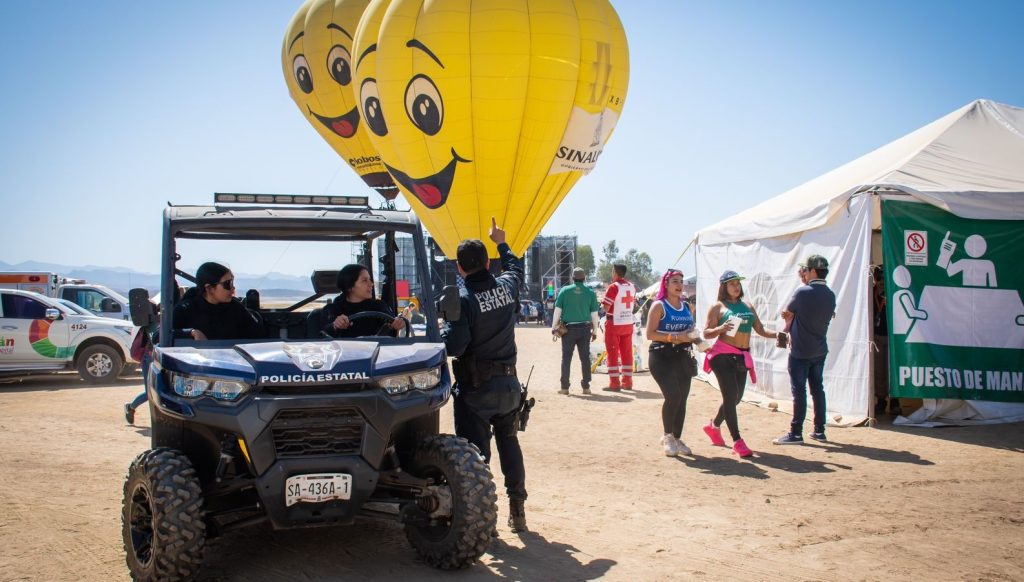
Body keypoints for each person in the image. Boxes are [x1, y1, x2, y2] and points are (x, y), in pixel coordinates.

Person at [442, 218, 529, 533]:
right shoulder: (506, 286)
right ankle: (517, 510)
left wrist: (442, 331)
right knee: (509, 443)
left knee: (476, 458)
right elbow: (515, 268)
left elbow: (456, 345)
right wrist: (501, 242)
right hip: (509, 386)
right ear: (488, 262)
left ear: (459, 268)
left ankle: (485, 520)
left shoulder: (464, 300)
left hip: (476, 390)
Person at [701, 270, 779, 458]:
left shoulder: (748, 306)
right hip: (722, 355)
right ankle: (737, 441)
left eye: (738, 283)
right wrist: (721, 328)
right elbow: (706, 333)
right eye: (732, 284)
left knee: (736, 398)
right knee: (730, 397)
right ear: (724, 287)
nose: (736, 287)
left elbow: (760, 329)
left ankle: (713, 426)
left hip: (742, 356)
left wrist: (778, 335)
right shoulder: (717, 307)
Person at [774, 255, 837, 445]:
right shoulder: (830, 294)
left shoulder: (802, 292)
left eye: (806, 270)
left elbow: (788, 312)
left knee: (799, 392)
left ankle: (796, 433)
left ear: (813, 271)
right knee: (818, 390)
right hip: (819, 349)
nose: (804, 273)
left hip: (800, 350)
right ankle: (819, 430)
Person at [645, 269, 698, 457]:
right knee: (673, 395)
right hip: (661, 356)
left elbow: (690, 331)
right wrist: (675, 337)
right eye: (675, 281)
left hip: (682, 356)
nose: (679, 285)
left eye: (681, 281)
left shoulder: (687, 306)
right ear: (666, 284)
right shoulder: (659, 305)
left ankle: (677, 437)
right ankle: (667, 436)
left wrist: (700, 340)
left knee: (682, 398)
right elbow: (650, 334)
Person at [173, 262, 265, 341]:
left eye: (232, 282)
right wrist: (191, 333)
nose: (233, 288)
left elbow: (258, 336)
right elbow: (166, 334)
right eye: (227, 284)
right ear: (209, 288)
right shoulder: (184, 309)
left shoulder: (236, 308)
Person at [321, 264, 406, 338]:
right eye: (364, 280)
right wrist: (335, 325)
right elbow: (322, 334)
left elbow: (391, 321)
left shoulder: (379, 306)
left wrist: (397, 323)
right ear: (349, 286)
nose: (371, 284)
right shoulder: (333, 310)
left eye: (370, 280)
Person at [552, 267, 600, 395]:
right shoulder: (590, 293)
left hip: (568, 330)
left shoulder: (565, 291)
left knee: (566, 358)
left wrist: (553, 327)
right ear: (584, 278)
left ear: (572, 278)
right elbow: (594, 314)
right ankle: (586, 387)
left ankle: (564, 388)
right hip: (585, 329)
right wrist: (595, 331)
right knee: (585, 358)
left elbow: (557, 310)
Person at [601, 263, 637, 391]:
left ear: (615, 272)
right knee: (627, 353)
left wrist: (601, 305)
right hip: (628, 323)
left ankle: (614, 383)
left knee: (612, 353)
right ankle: (627, 382)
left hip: (614, 324)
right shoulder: (632, 286)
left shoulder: (613, 287)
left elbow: (606, 307)